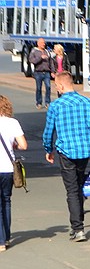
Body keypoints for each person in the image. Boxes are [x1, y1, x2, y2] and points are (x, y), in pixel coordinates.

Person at [42, 72, 90, 242]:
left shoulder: (56, 106)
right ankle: (78, 225)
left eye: (56, 85)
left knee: (72, 189)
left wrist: (48, 149)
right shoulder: (87, 102)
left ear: (61, 86)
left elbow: (49, 131)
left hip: (67, 152)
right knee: (78, 185)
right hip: (85, 151)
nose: (56, 88)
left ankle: (78, 228)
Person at [0, 95, 28, 252]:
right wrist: (13, 146)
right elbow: (23, 145)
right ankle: (7, 236)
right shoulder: (13, 123)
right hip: (8, 169)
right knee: (6, 201)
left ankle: (1, 241)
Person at [28, 37, 53, 109]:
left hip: (47, 72)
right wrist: (40, 58)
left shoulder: (47, 51)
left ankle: (47, 102)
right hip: (38, 72)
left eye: (44, 43)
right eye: (42, 43)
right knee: (39, 88)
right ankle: (39, 102)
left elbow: (51, 62)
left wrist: (52, 71)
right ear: (38, 44)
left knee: (48, 87)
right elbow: (32, 60)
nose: (43, 44)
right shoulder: (34, 51)